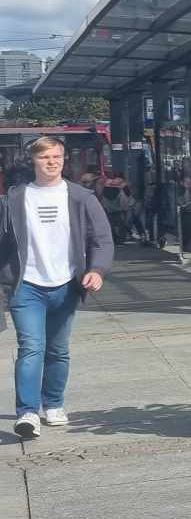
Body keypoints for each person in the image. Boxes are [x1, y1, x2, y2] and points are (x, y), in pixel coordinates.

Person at [0, 137, 113, 439]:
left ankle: (53, 403)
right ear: (33, 161)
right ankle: (27, 412)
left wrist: (97, 270)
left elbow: (102, 239)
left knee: (58, 350)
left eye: (57, 156)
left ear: (64, 160)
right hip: (26, 286)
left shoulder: (81, 197)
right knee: (31, 347)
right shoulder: (15, 197)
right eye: (45, 157)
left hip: (66, 285)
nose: (52, 162)